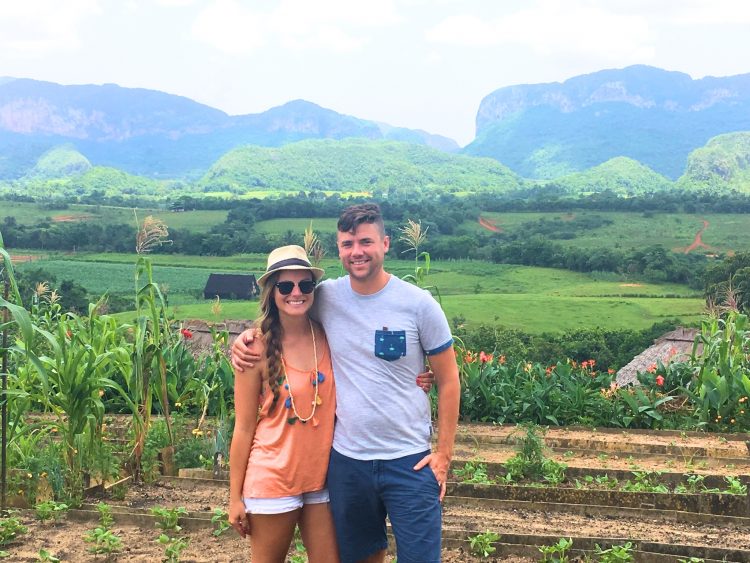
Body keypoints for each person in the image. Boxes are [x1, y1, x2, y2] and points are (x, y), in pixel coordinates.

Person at [233, 203, 461, 563]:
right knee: (361, 557)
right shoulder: (326, 297)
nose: (357, 252)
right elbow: (284, 315)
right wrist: (245, 338)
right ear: (339, 249)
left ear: (385, 244)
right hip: (347, 463)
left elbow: (449, 380)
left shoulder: (419, 305)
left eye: (366, 242)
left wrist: (444, 454)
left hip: (409, 460)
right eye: (348, 244)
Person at [228, 245, 340, 562]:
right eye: (285, 286)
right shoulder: (255, 348)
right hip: (273, 480)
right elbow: (244, 426)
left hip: (320, 481)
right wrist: (234, 497)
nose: (296, 293)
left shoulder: (328, 335)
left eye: (305, 285)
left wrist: (421, 374)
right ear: (272, 292)